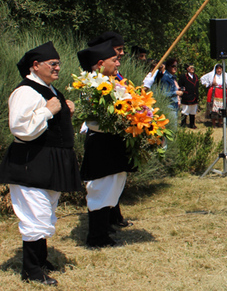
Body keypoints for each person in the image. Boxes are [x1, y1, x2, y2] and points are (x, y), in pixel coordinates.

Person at [0, 42, 82, 286]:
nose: (57, 68)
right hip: (31, 162)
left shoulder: (49, 89)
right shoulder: (26, 91)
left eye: (58, 64)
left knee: (46, 210)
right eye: (52, 64)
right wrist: (49, 111)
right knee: (35, 213)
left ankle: (41, 260)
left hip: (48, 161)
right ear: (35, 66)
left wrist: (65, 110)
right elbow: (20, 127)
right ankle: (32, 271)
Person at [77, 41, 136, 248]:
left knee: (113, 186)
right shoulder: (90, 85)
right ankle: (96, 237)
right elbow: (96, 119)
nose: (118, 64)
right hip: (101, 143)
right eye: (114, 60)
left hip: (113, 142)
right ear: (101, 63)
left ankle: (103, 231)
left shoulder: (111, 81)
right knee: (100, 189)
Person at [178, 64, 199, 129]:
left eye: (193, 67)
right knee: (185, 110)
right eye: (191, 68)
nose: (192, 69)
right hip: (187, 96)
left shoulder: (196, 76)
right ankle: (183, 124)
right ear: (187, 69)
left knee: (193, 111)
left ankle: (192, 124)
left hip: (194, 96)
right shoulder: (183, 76)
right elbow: (180, 85)